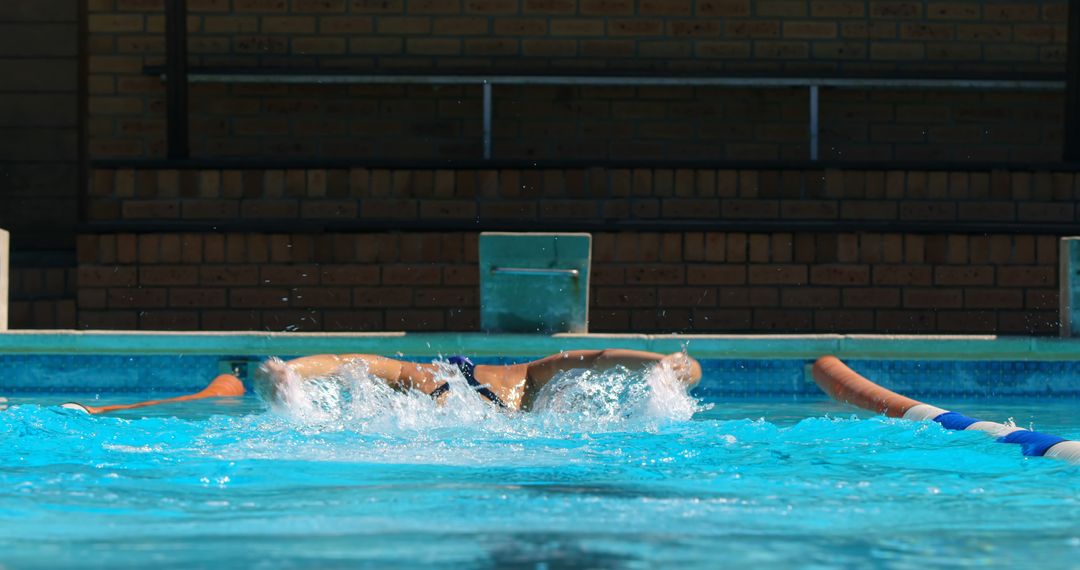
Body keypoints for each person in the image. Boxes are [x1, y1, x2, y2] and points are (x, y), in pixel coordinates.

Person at [61, 349, 702, 415]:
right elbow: (596, 358)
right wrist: (675, 367)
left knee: (218, 399)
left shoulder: (431, 378)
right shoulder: (530, 381)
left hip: (452, 392)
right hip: (475, 400)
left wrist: (290, 372)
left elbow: (351, 359)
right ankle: (273, 380)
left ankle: (279, 380)